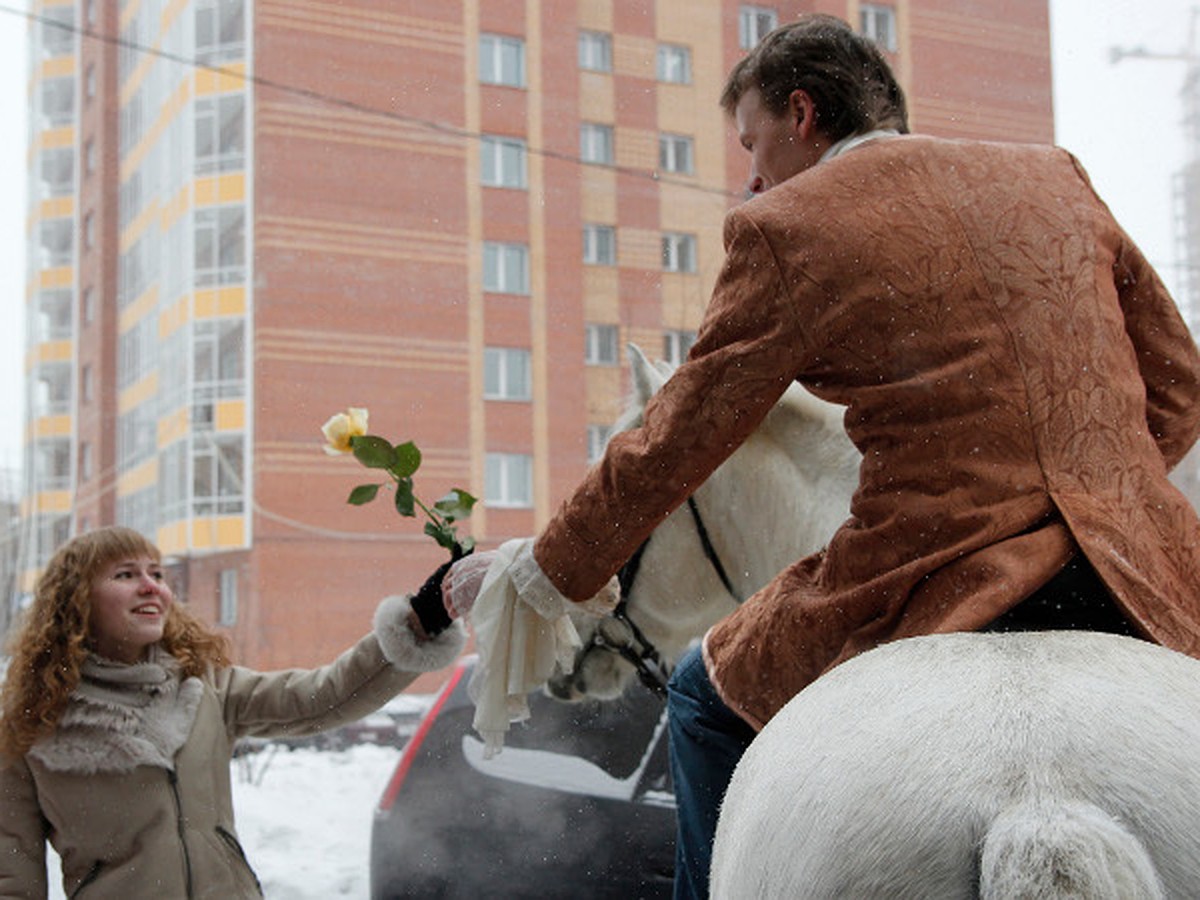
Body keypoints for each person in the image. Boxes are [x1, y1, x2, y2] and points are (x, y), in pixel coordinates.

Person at [443, 13, 1200, 898]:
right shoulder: (1056, 177)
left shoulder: (786, 227)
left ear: (804, 114)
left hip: (932, 565)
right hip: (1133, 563)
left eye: (753, 143)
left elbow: (677, 438)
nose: (753, 176)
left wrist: (542, 572)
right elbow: (1179, 386)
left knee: (698, 696)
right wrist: (1099, 488)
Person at [0, 525, 465, 898]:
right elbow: (12, 877)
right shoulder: (31, 723)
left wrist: (422, 620)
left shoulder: (205, 687)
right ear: (75, 602)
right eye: (125, 575)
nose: (151, 587)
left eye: (157, 574)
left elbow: (325, 696)